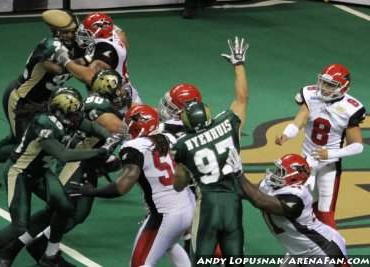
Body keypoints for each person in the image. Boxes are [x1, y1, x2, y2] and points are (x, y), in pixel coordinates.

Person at [0, 87, 121, 267]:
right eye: (73, 114)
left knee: (65, 207)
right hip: (20, 173)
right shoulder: (44, 123)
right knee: (19, 225)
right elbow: (63, 155)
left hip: (41, 172)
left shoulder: (64, 115)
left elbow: (89, 125)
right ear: (60, 112)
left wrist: (109, 136)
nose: (77, 117)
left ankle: (50, 256)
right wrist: (99, 151)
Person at [69, 105, 194, 267]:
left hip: (164, 216)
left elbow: (121, 187)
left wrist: (90, 191)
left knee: (140, 263)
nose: (125, 128)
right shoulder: (170, 138)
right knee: (168, 244)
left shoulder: (134, 147)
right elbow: (150, 160)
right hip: (187, 207)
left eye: (128, 124)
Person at [0, 9, 82, 187]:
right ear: (56, 32)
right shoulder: (50, 45)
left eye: (72, 31)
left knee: (17, 138)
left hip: (42, 101)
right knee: (25, 144)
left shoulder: (75, 46)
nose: (70, 35)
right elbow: (60, 69)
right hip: (21, 99)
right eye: (65, 32)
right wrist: (87, 59)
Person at [172, 36, 249, 266]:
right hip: (234, 201)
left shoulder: (183, 144)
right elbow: (242, 98)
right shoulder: (227, 123)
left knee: (201, 260)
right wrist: (238, 65)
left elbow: (178, 184)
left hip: (207, 204)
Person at [275, 64, 366, 229]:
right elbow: (300, 119)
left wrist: (330, 154)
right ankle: (303, 250)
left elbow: (358, 146)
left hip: (328, 165)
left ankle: (336, 253)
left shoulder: (350, 108)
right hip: (305, 162)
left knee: (325, 211)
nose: (324, 87)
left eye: (330, 84)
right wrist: (287, 134)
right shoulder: (310, 95)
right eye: (323, 82)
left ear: (343, 87)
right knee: (302, 207)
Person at [226, 150, 350, 267]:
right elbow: (248, 192)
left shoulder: (298, 196)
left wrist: (240, 175)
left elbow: (259, 201)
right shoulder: (270, 185)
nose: (275, 173)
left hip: (323, 250)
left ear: (293, 177)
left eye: (281, 171)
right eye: (277, 169)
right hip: (297, 252)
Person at [53, 12, 143, 104]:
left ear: (99, 33)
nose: (82, 35)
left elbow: (89, 77)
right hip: (120, 94)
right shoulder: (112, 34)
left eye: (87, 33)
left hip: (119, 103)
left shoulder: (106, 47)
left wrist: (66, 61)